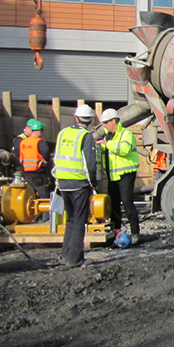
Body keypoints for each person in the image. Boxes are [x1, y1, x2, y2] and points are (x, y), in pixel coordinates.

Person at [54, 105, 98, 268]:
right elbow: (90, 164)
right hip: (79, 183)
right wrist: (93, 183)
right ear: (90, 120)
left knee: (70, 219)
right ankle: (76, 258)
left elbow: (57, 156)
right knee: (80, 221)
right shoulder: (85, 136)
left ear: (76, 118)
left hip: (63, 183)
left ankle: (66, 255)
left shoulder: (63, 133)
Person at [96, 108, 140, 244]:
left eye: (106, 123)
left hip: (126, 174)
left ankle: (135, 233)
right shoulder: (108, 136)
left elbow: (124, 150)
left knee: (127, 203)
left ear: (113, 121)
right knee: (113, 204)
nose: (104, 126)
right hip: (113, 175)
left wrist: (107, 144)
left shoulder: (125, 134)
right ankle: (116, 232)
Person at [17, 119, 52, 201]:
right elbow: (46, 153)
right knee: (44, 197)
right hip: (38, 174)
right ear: (40, 131)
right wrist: (45, 162)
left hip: (26, 174)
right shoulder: (40, 142)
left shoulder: (23, 142)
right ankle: (44, 214)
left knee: (30, 196)